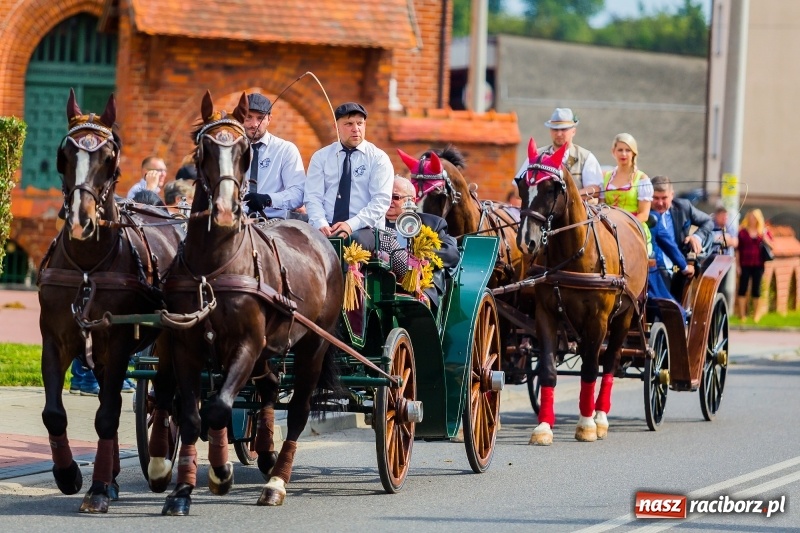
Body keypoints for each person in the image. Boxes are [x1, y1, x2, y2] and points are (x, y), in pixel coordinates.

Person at [305, 102, 393, 249]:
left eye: (360, 123)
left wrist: (350, 225)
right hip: (327, 226)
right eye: (349, 124)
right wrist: (321, 223)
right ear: (336, 127)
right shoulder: (321, 157)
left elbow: (380, 202)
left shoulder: (378, 158)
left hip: (364, 228)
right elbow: (313, 196)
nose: (355, 129)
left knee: (353, 240)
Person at [384, 176, 460, 308]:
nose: (389, 201)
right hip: (381, 282)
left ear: (412, 200)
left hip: (421, 286)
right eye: (386, 196)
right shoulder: (374, 223)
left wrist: (418, 256)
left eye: (395, 197)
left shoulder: (433, 223)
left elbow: (451, 253)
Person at [239, 93, 306, 220]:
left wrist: (268, 199)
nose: (254, 124)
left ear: (269, 119)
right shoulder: (229, 150)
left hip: (274, 222)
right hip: (236, 221)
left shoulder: (285, 149)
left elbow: (298, 193)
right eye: (248, 117)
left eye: (260, 118)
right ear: (241, 117)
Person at [514, 107, 604, 194]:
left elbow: (595, 189)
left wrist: (568, 197)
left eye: (563, 129)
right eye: (555, 129)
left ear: (573, 131)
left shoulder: (585, 157)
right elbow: (516, 187)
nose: (559, 134)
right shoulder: (537, 156)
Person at [650, 175, 714, 296]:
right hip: (655, 270)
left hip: (680, 268)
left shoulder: (683, 207)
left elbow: (708, 221)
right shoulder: (645, 213)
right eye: (655, 198)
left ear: (672, 195)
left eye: (664, 198)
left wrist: (696, 237)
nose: (660, 203)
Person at [596, 133, 653, 253]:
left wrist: (624, 227)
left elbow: (644, 214)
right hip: (609, 229)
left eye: (628, 150)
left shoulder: (641, 178)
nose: (623, 154)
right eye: (620, 150)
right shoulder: (605, 176)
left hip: (633, 229)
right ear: (613, 152)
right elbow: (601, 206)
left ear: (633, 153)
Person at [736, 209, 774, 322]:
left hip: (758, 264)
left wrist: (764, 237)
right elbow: (738, 250)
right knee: (742, 288)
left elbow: (772, 246)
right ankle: (742, 315)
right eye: (750, 217)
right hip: (744, 264)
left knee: (756, 289)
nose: (752, 220)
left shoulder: (763, 231)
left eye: (754, 218)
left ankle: (756, 315)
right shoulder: (742, 232)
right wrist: (737, 266)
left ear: (758, 219)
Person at [711, 205, 739, 309]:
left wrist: (721, 239)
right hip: (712, 261)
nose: (725, 219)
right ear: (717, 216)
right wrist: (725, 238)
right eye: (723, 217)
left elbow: (735, 242)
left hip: (725, 261)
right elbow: (709, 239)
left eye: (726, 217)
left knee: (722, 286)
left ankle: (719, 307)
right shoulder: (710, 225)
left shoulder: (729, 227)